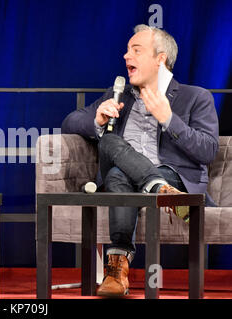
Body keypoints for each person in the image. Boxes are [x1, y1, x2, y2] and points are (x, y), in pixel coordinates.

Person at [62, 24, 219, 297]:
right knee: (109, 140)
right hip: (162, 188)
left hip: (173, 176)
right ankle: (157, 189)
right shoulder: (117, 94)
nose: (126, 56)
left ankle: (117, 269)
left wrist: (169, 119)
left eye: (136, 50)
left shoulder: (196, 97)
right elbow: (69, 122)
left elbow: (207, 151)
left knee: (117, 176)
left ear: (160, 59)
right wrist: (97, 119)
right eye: (126, 50)